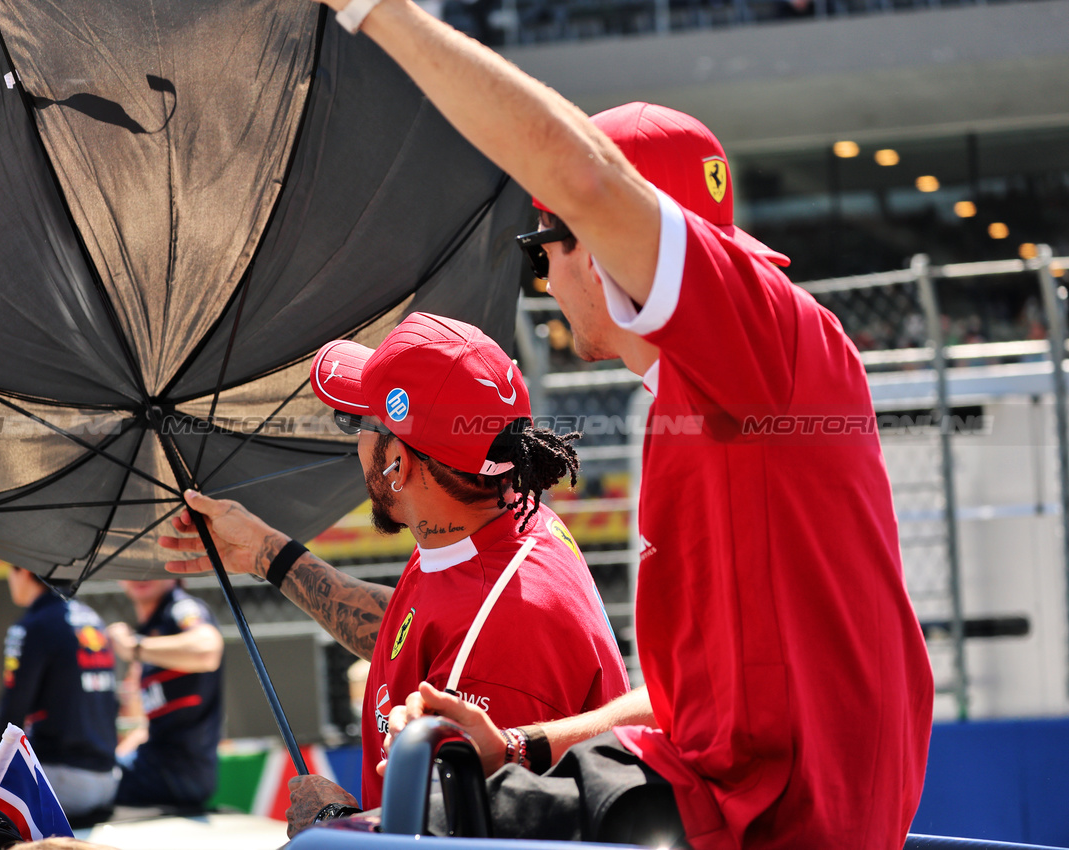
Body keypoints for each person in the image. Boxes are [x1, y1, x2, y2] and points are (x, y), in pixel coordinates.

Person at [297, 3, 935, 847]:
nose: (538, 278)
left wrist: (377, 14)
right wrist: (525, 747)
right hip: (731, 796)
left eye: (540, 246)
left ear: (597, 247)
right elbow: (684, 702)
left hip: (767, 816)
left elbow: (584, 177)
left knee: (358, 837)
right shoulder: (698, 390)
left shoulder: (767, 339)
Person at [160, 311, 631, 836]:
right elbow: (414, 632)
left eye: (356, 422)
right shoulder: (491, 511)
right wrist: (267, 554)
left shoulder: (498, 640)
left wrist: (333, 828)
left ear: (398, 465)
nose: (354, 442)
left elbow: (462, 842)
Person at [0, 566, 119, 821]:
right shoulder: (93, 619)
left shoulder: (33, 625)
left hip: (63, 779)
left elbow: (14, 706)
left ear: (25, 570)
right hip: (107, 779)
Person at [106, 579, 224, 809]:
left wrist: (134, 647)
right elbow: (146, 728)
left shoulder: (182, 607)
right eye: (131, 569)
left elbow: (207, 650)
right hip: (156, 767)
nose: (140, 575)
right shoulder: (150, 628)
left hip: (179, 773)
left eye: (149, 567)